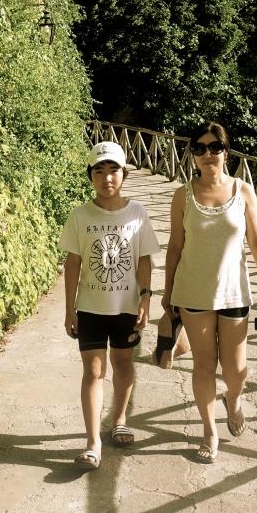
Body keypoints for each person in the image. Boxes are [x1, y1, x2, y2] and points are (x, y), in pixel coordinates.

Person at [162, 121, 257, 463]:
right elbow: (175, 246)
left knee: (236, 370)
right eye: (200, 148)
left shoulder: (243, 191)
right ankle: (209, 431)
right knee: (203, 364)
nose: (207, 154)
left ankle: (233, 399)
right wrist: (167, 293)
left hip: (234, 293)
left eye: (215, 147)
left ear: (227, 152)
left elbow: (256, 240)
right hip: (194, 292)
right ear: (192, 154)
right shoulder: (183, 195)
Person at [61, 140, 159, 471]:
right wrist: (69, 309)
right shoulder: (80, 215)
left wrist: (145, 297)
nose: (107, 178)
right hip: (90, 307)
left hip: (126, 306)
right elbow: (73, 263)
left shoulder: (137, 213)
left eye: (113, 170)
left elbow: (144, 259)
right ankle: (93, 443)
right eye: (99, 171)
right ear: (90, 176)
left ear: (124, 174)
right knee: (93, 371)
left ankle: (119, 420)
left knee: (123, 363)